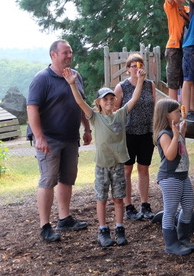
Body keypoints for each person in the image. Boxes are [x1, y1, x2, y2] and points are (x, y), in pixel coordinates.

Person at [64, 67, 146, 247]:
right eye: (105, 99)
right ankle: (103, 230)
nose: (109, 101)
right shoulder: (94, 117)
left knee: (118, 199)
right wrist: (72, 84)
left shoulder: (120, 114)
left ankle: (119, 228)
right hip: (102, 165)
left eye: (111, 98)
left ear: (115, 101)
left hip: (118, 165)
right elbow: (79, 102)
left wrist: (139, 81)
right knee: (101, 199)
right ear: (99, 102)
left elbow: (134, 99)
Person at [27, 39, 91, 242]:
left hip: (71, 137)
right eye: (65, 53)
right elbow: (32, 108)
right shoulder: (42, 79)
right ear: (53, 55)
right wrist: (39, 137)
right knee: (48, 179)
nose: (69, 56)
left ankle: (65, 219)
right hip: (49, 138)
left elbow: (80, 103)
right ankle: (45, 226)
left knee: (67, 178)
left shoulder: (76, 76)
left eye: (70, 52)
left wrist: (87, 128)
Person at [114, 53, 157, 221]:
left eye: (140, 65)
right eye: (134, 65)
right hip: (128, 132)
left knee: (144, 168)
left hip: (146, 132)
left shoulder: (150, 85)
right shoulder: (121, 87)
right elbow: (116, 113)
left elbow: (153, 106)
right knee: (127, 169)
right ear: (128, 69)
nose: (137, 68)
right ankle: (128, 206)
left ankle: (145, 204)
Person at [153, 99, 194, 255]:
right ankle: (171, 244)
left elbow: (181, 150)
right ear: (167, 115)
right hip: (170, 177)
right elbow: (170, 156)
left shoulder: (174, 131)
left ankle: (182, 238)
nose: (180, 113)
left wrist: (181, 133)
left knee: (189, 205)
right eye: (176, 111)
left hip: (183, 176)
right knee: (170, 210)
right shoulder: (164, 134)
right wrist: (177, 134)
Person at [163, 0, 189, 101]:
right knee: (173, 82)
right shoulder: (171, 6)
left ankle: (185, 110)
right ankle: (173, 109)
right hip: (173, 48)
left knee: (185, 80)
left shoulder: (186, 9)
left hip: (186, 47)